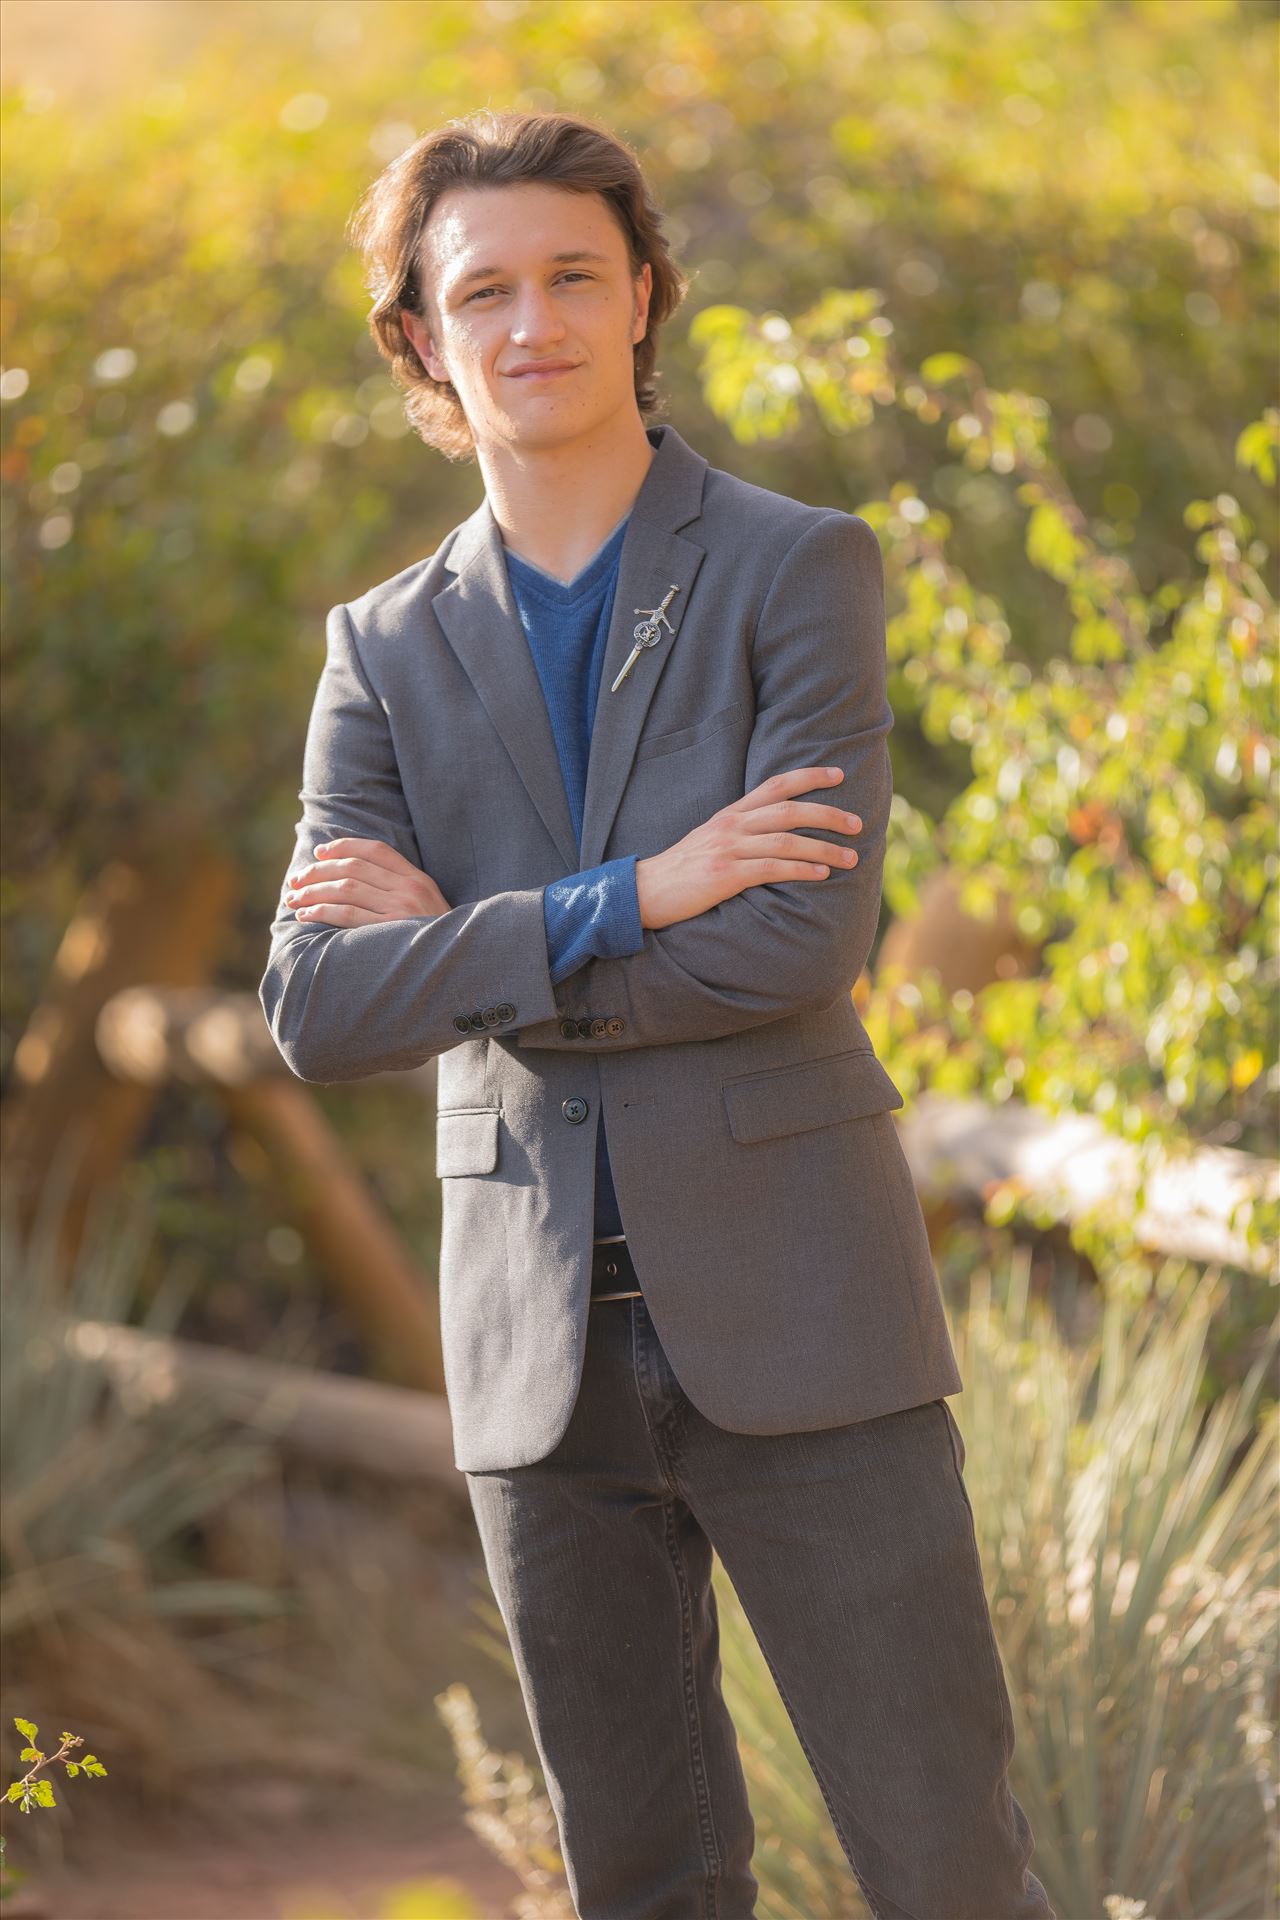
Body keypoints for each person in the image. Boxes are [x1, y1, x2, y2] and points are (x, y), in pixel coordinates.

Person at [259, 106, 1055, 1920]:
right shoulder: (375, 648)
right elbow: (315, 1007)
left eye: (571, 277)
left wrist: (465, 949)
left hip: (807, 1314)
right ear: (418, 336)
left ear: (643, 302)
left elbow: (794, 947)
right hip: (533, 1355)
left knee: (945, 1866)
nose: (528, 321)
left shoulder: (795, 566)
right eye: (482, 291)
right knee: (642, 1879)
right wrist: (634, 895)